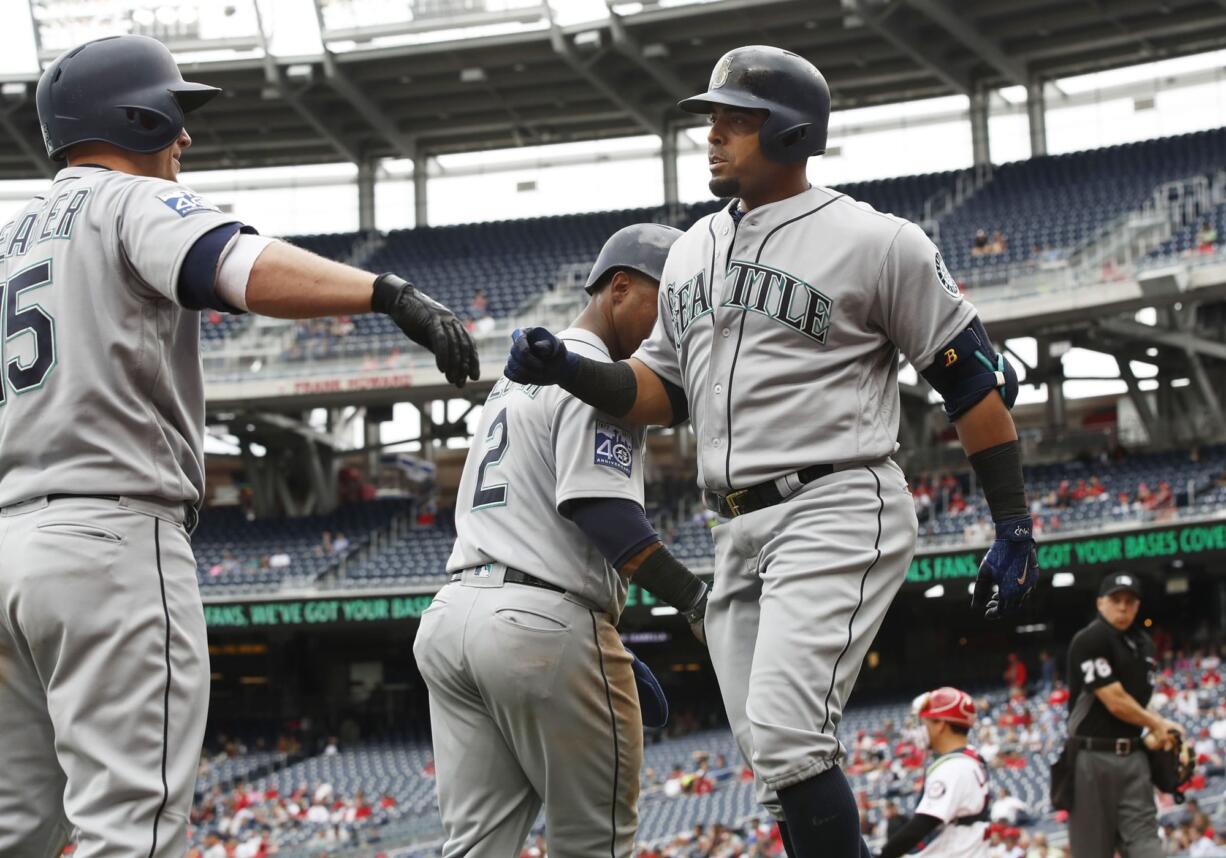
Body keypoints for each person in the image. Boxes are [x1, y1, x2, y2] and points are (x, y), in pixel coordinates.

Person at [504, 45, 1037, 857]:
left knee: (789, 735)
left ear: (790, 132)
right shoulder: (687, 252)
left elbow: (971, 381)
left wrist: (1013, 522)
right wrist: (570, 369)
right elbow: (661, 392)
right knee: (773, 760)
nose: (712, 134)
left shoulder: (875, 240)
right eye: (711, 118)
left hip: (836, 502)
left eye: (734, 120)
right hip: (734, 530)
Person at [0, 35, 478, 858]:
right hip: (105, 541)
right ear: (135, 117)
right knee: (132, 830)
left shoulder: (9, 241)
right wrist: (384, 290)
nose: (185, 138)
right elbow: (237, 265)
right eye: (174, 115)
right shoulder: (126, 200)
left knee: (15, 833)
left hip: (7, 548)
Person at [414, 224, 710, 857]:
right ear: (620, 287)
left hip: (453, 619)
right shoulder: (595, 373)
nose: (675, 323)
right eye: (669, 300)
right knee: (594, 846)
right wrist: (693, 598)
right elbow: (601, 513)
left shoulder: (513, 380)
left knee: (473, 848)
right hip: (539, 626)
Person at [1064, 573, 1185, 857]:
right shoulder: (1090, 639)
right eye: (1115, 600)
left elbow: (1138, 703)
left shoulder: (1144, 645)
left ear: (1138, 605)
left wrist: (1166, 728)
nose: (1122, 607)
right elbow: (1115, 701)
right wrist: (1158, 724)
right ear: (1100, 603)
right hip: (1090, 757)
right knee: (1094, 851)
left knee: (1148, 847)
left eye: (1129, 601)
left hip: (1134, 755)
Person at [878, 687, 990, 858]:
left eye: (925, 722)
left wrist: (884, 854)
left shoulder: (953, 766)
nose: (920, 729)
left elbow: (922, 825)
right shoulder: (970, 758)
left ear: (941, 725)